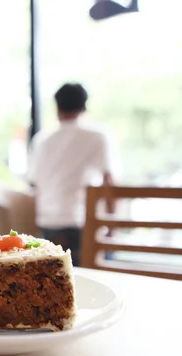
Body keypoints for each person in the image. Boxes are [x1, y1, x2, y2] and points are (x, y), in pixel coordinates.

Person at [28, 83, 115, 266]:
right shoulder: (96, 137)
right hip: (79, 222)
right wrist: (111, 224)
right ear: (84, 107)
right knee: (97, 270)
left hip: (47, 221)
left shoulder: (41, 140)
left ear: (57, 107)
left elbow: (35, 185)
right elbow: (109, 182)